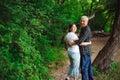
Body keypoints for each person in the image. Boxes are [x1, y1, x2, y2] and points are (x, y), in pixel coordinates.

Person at [69, 16, 94, 80]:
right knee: (88, 67)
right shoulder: (83, 28)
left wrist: (72, 43)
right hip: (85, 51)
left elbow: (80, 40)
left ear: (87, 22)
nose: (82, 22)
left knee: (84, 68)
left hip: (85, 51)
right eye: (81, 21)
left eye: (84, 21)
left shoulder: (86, 29)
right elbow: (80, 38)